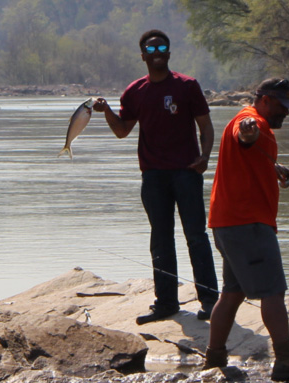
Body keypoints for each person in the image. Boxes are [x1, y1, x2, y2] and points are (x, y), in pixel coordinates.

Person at [203, 78, 289, 381]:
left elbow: (248, 153)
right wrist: (249, 129)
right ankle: (286, 362)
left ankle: (214, 359)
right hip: (249, 225)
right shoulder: (250, 121)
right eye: (283, 107)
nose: (286, 113)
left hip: (227, 223)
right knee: (273, 291)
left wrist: (273, 168)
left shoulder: (257, 125)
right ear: (265, 100)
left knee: (232, 293)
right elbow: (245, 135)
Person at [93, 29, 219, 325]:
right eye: (151, 49)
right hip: (154, 176)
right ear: (143, 56)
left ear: (169, 52)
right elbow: (122, 131)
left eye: (162, 46)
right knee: (160, 240)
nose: (157, 51)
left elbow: (207, 127)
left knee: (196, 236)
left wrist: (205, 157)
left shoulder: (187, 86)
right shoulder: (135, 92)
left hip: (186, 172)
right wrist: (107, 111)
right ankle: (166, 303)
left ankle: (211, 301)